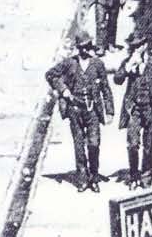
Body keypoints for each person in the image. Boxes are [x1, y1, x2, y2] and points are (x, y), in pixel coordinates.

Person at [45, 33, 114, 192]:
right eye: (81, 47)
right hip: (75, 109)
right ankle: (82, 178)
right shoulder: (70, 63)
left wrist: (109, 111)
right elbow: (50, 75)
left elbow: (105, 88)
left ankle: (94, 176)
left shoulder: (97, 64)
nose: (84, 50)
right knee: (79, 144)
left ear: (90, 47)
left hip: (92, 110)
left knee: (94, 143)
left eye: (87, 46)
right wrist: (64, 90)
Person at [113, 31, 152, 189]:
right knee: (132, 143)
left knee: (149, 145)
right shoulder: (128, 62)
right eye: (133, 46)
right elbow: (117, 80)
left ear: (145, 46)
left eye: (139, 46)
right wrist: (129, 65)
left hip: (151, 108)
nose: (136, 49)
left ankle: (146, 175)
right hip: (134, 108)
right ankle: (133, 175)